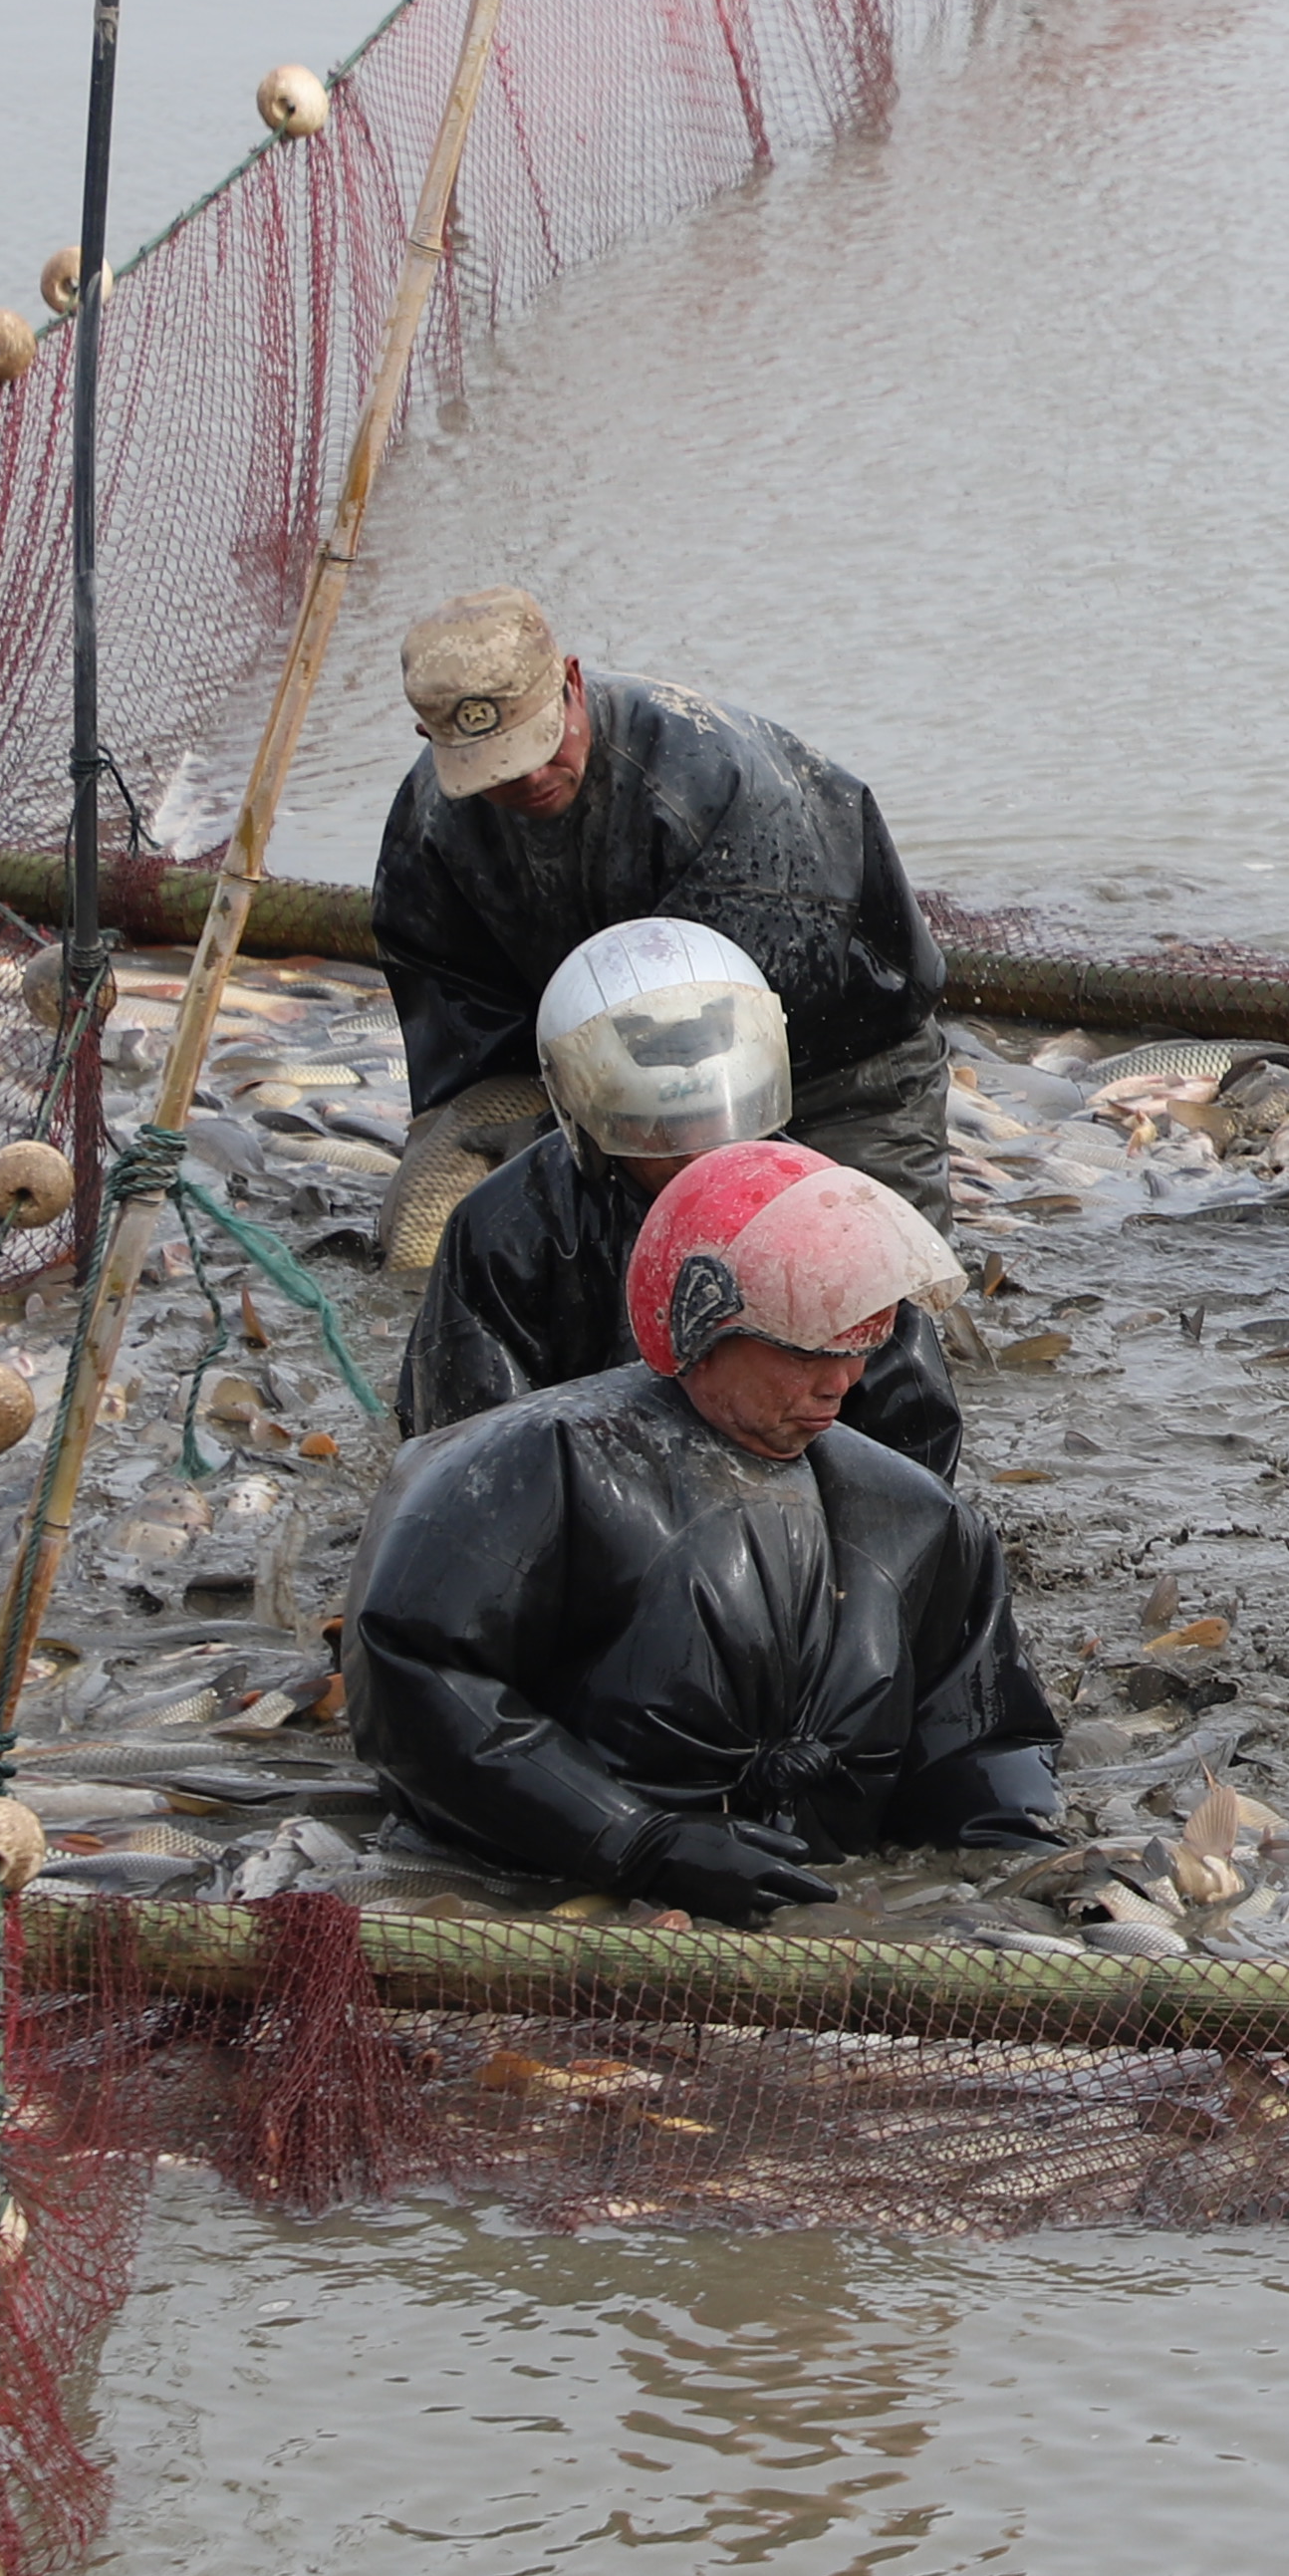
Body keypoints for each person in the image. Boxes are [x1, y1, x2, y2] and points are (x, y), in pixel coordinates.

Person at [348, 1142, 1060, 1920]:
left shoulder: (922, 1519)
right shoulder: (529, 1466)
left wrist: (1022, 1873)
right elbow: (415, 1673)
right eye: (806, 1350)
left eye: (861, 1346)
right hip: (557, 1882)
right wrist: (635, 1840)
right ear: (700, 1326)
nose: (840, 1383)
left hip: (810, 1892)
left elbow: (983, 1740)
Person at [366, 589, 951, 1263]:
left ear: (572, 681)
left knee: (871, 1281)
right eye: (495, 767)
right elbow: (456, 1021)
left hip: (839, 1066)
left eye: (540, 744)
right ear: (433, 742)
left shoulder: (713, 780)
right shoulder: (431, 821)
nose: (529, 777)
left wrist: (586, 1125)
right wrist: (537, 1138)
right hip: (599, 1077)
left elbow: (718, 1034)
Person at [395, 917, 961, 1474]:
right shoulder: (504, 1229)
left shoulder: (834, 1214)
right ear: (593, 1117)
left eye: (718, 1120)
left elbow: (915, 1438)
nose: (700, 1153)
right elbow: (462, 1438)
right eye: (662, 1133)